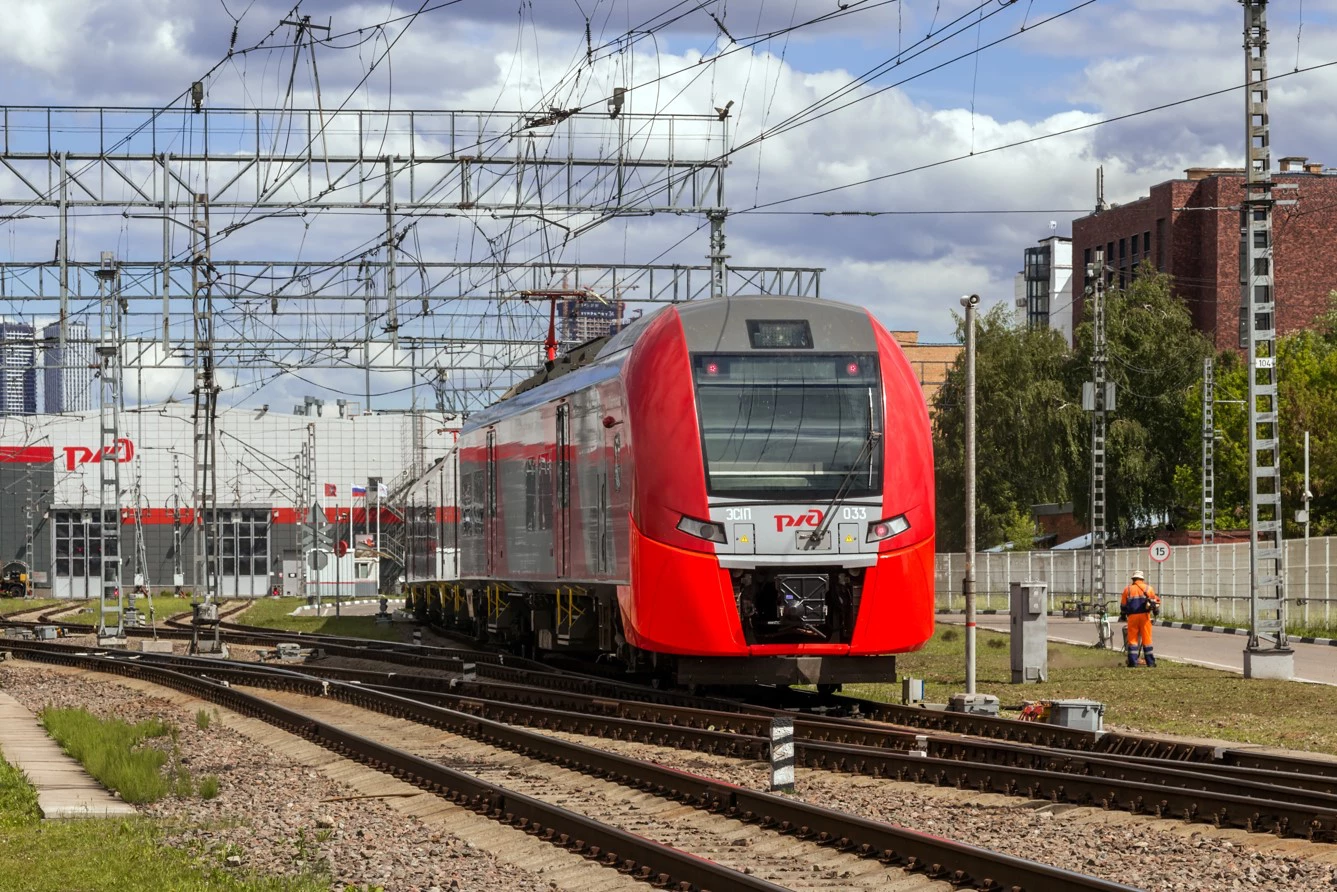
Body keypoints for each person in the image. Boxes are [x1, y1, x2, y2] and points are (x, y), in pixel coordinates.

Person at [1120, 570, 1161, 667]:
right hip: (1145, 617)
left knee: (1133, 640)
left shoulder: (1127, 589)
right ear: (1142, 579)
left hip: (1132, 617)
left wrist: (1123, 614)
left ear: (1133, 579)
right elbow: (1155, 602)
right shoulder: (1148, 588)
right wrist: (1156, 611)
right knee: (1147, 639)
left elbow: (1123, 605)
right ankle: (1150, 663)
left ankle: (1133, 663)